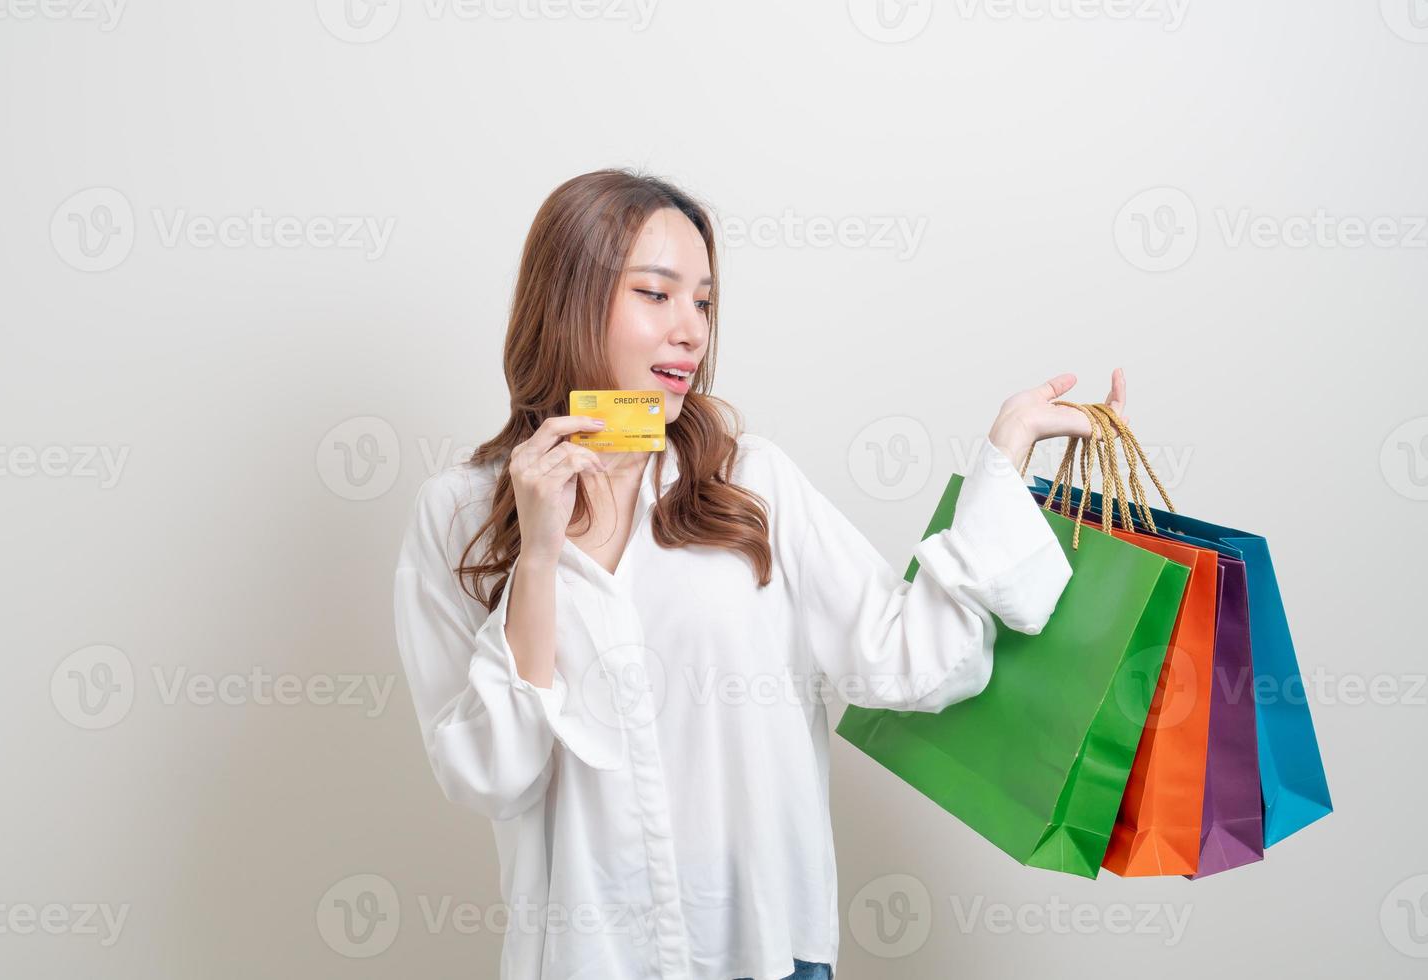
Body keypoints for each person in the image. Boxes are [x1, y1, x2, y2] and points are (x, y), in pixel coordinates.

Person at [393, 168, 1128, 979]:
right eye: (656, 294)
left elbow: (910, 658)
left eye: (703, 302)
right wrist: (537, 554)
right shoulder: (457, 513)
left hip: (765, 955)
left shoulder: (752, 483)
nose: (691, 332)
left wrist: (1005, 458)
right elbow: (489, 777)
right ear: (570, 297)